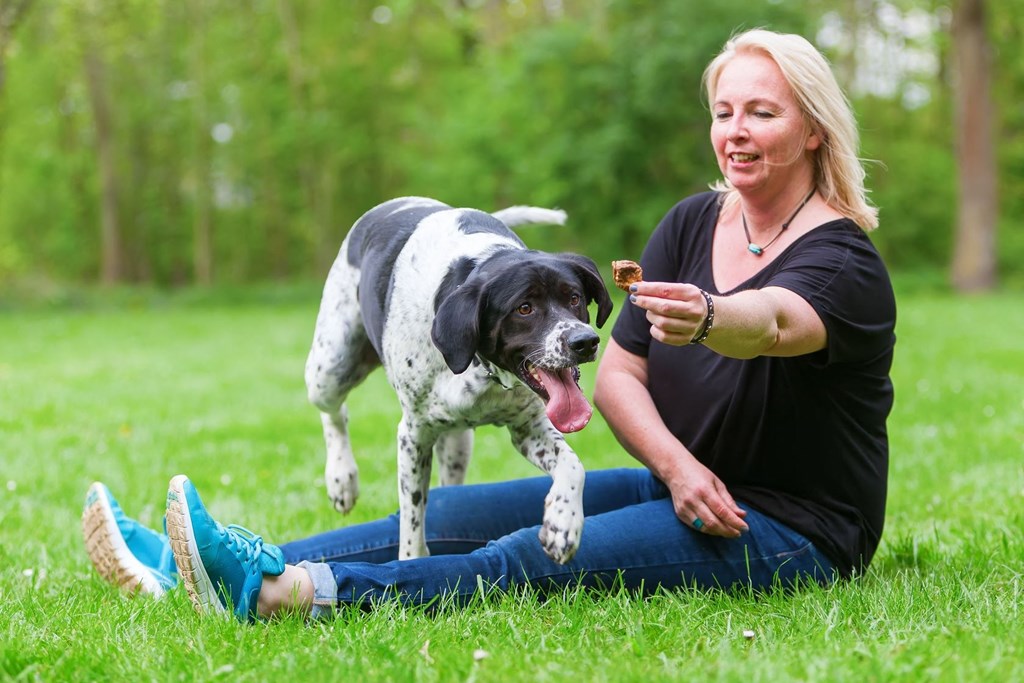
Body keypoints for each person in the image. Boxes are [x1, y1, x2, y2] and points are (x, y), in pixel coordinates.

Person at [81, 28, 896, 623]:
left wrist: (714, 315)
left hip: (790, 527)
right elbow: (621, 373)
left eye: (763, 112)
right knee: (445, 523)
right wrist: (678, 467)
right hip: (680, 483)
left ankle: (284, 595)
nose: (736, 132)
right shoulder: (692, 222)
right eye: (725, 112)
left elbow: (775, 322)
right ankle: (175, 559)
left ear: (814, 129)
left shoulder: (843, 259)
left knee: (516, 561)